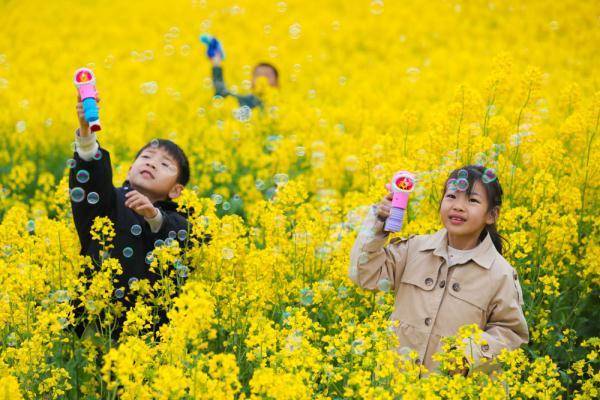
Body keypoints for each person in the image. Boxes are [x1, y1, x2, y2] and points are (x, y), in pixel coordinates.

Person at [349, 165, 529, 374]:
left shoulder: (500, 273)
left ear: (492, 215)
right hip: (398, 383)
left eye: (472, 200)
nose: (458, 206)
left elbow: (510, 331)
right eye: (451, 196)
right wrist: (379, 223)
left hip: (451, 388)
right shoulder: (413, 249)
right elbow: (365, 275)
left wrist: (469, 354)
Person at [70, 94, 191, 339]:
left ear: (176, 190)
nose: (153, 164)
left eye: (165, 165)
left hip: (147, 336)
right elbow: (92, 180)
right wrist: (87, 136)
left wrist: (154, 216)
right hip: (93, 326)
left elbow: (187, 236)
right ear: (129, 169)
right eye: (146, 158)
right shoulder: (108, 201)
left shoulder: (176, 220)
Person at [202, 36, 279, 109]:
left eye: (267, 75)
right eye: (258, 75)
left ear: (277, 82)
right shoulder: (248, 102)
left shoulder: (282, 105)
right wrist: (216, 63)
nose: (262, 79)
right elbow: (222, 94)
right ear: (251, 81)